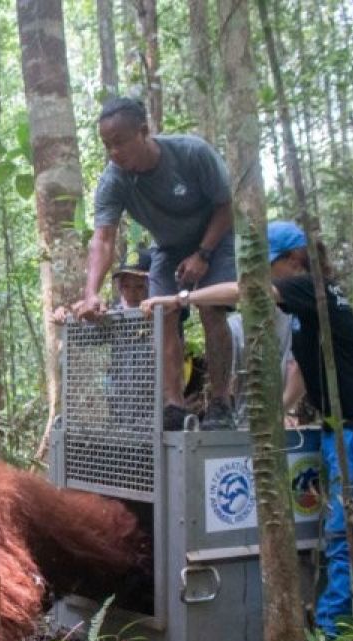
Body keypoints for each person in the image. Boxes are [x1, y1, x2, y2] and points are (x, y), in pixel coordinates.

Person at [139, 221, 353, 635]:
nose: (266, 277)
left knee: (344, 532)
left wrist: (180, 298)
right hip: (349, 428)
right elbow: (302, 364)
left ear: (292, 261)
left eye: (270, 267)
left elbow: (247, 293)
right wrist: (282, 408)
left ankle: (333, 635)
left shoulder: (309, 287)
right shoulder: (309, 304)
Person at [69, 97, 236, 431]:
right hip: (168, 248)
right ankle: (174, 406)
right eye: (106, 145)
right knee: (160, 314)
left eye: (119, 142)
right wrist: (91, 293)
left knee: (211, 310)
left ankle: (220, 402)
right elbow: (103, 238)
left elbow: (226, 206)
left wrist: (203, 254)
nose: (113, 152)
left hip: (215, 241)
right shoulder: (114, 181)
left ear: (143, 132)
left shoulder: (191, 153)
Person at [227, 309, 305, 427]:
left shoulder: (295, 323)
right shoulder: (233, 326)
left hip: (284, 413)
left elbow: (297, 368)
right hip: (244, 417)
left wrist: (286, 411)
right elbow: (228, 383)